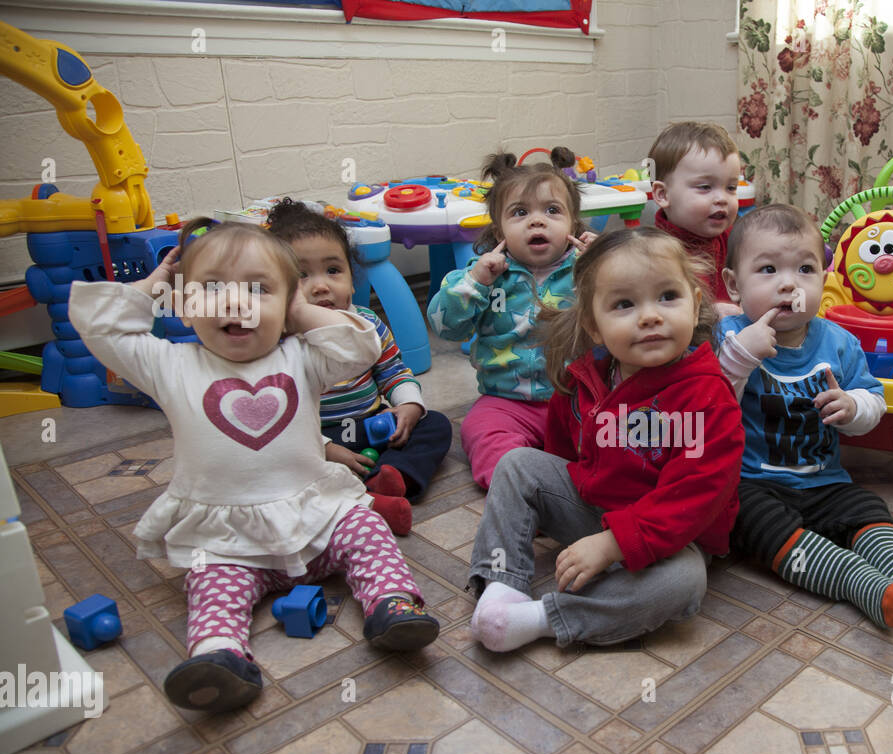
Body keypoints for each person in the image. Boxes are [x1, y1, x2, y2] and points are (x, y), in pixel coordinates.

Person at [68, 220, 440, 713]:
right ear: (183, 304)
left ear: (286, 306)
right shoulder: (169, 365)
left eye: (258, 290)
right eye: (213, 288)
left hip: (317, 520)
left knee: (366, 527)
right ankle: (218, 658)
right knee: (210, 583)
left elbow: (361, 346)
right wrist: (153, 286)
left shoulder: (301, 357)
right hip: (229, 540)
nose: (236, 302)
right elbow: (100, 324)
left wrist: (299, 308)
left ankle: (392, 604)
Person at [466, 227, 744, 651]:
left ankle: (545, 618)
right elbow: (561, 447)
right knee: (518, 463)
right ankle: (502, 587)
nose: (650, 316)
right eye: (624, 304)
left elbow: (695, 494)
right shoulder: (587, 373)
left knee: (684, 582)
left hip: (673, 538)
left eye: (668, 296)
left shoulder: (706, 395)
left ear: (696, 303)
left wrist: (614, 543)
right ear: (594, 327)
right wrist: (552, 509)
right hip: (595, 508)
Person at [716, 204, 893, 629]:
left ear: (824, 282)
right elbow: (709, 407)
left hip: (825, 482)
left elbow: (874, 400)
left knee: (868, 507)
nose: (789, 283)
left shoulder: (839, 343)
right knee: (750, 521)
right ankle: (856, 583)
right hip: (755, 484)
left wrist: (853, 407)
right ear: (734, 285)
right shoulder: (729, 338)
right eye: (768, 270)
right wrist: (740, 359)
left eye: (805, 269)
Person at [267, 199, 452, 536]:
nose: (321, 285)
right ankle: (365, 501)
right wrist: (324, 447)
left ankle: (394, 477)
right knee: (276, 465)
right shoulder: (281, 340)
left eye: (333, 270)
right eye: (301, 275)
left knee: (436, 425)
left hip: (372, 425)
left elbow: (392, 370)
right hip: (315, 439)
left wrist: (408, 405)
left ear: (353, 281)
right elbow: (281, 413)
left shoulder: (366, 324)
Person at [427, 147, 596, 489]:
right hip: (506, 402)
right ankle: (520, 490)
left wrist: (606, 263)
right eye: (520, 212)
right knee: (480, 431)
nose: (537, 221)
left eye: (552, 210)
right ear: (499, 228)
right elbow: (446, 327)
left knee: (611, 440)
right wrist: (475, 282)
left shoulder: (587, 270)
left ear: (573, 224)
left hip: (579, 399)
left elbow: (626, 311)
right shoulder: (485, 276)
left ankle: (569, 492)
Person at [649, 121, 743, 309]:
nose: (722, 198)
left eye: (731, 188)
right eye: (705, 187)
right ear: (663, 194)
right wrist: (709, 314)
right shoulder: (651, 253)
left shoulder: (738, 240)